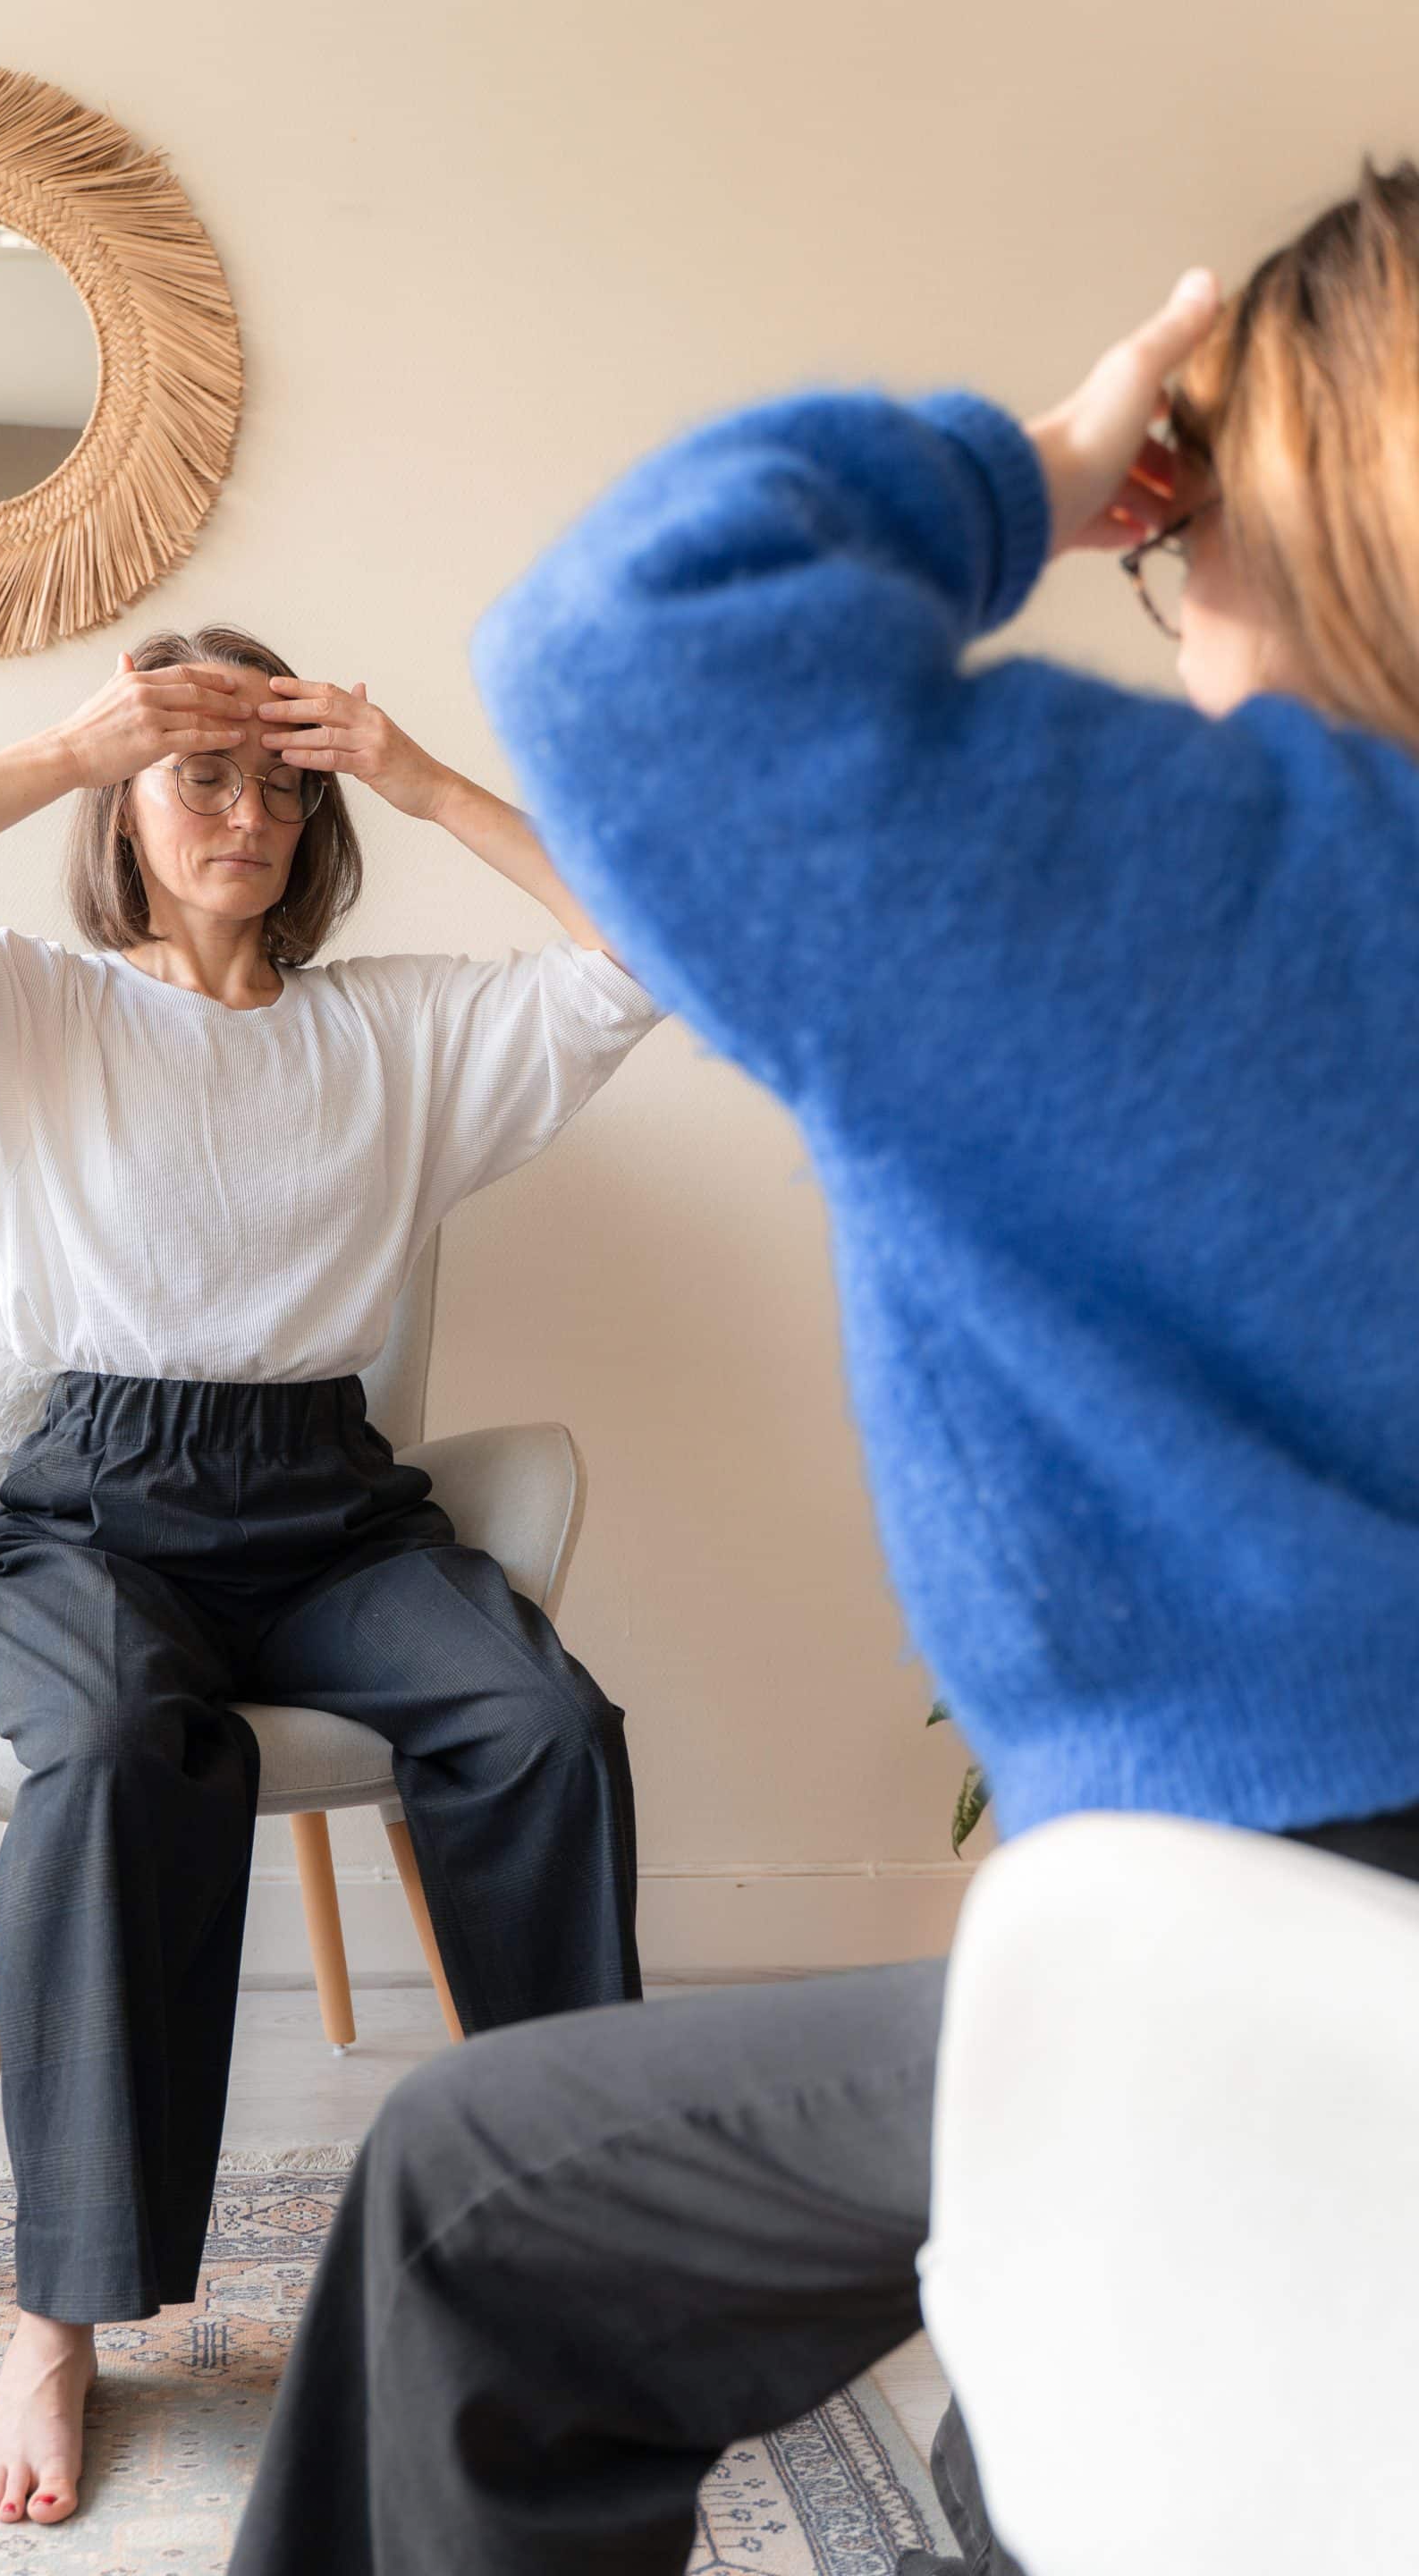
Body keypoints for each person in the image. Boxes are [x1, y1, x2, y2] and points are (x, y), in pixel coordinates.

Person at [227, 157, 1419, 2576]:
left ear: (1300, 517)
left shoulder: (1227, 882)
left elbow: (629, 650)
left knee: (473, 2199)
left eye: (1199, 553)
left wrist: (1050, 460)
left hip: (1277, 1959)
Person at [0, 623, 667, 2529]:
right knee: (107, 1752)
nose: (246, 812)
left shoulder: (395, 1031)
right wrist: (71, 740)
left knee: (542, 1726)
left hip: (332, 1502)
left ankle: (568, 2250)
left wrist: (420, 774)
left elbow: (653, 944)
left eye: (279, 779)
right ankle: (60, 2328)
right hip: (94, 1500)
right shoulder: (11, 1007)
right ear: (129, 800)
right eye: (199, 771)